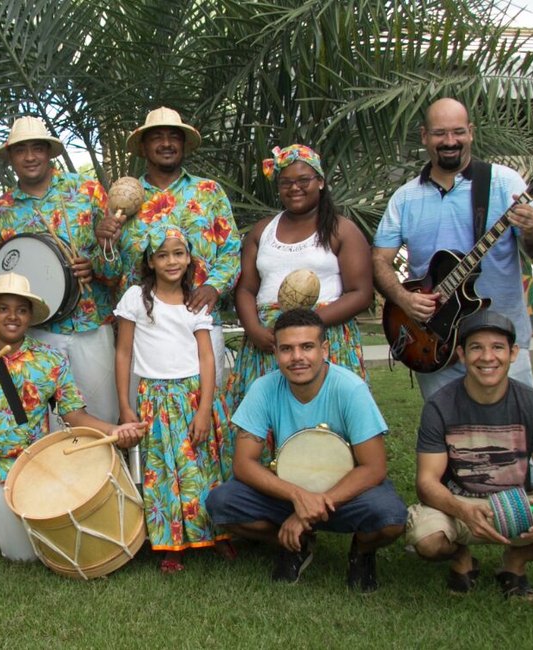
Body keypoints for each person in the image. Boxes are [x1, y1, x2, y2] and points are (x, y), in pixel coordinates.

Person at [0, 273, 144, 591]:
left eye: (21, 310)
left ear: (29, 317)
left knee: (20, 555)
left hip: (21, 464)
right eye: (3, 308)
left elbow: (74, 415)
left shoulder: (51, 361)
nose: (12, 316)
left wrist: (116, 429)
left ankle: (2, 525)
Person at [403, 310, 533, 600]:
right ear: (461, 354)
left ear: (513, 353)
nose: (487, 357)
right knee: (428, 540)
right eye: (476, 347)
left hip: (521, 504)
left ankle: (516, 560)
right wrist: (462, 511)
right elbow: (426, 482)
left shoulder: (532, 404)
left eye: (497, 347)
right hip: (461, 504)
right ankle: (462, 558)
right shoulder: (439, 406)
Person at [206, 309, 406, 592]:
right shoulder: (264, 389)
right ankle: (295, 543)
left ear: (324, 349)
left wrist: (311, 508)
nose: (297, 357)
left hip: (344, 493)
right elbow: (244, 463)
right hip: (289, 490)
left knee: (390, 518)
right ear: (276, 352)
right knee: (222, 503)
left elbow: (373, 467)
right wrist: (298, 497)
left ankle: (361, 551)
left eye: (307, 347)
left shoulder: (351, 389)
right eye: (286, 349)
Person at [372, 97, 533, 400]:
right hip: (434, 341)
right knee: (446, 437)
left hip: (500, 343)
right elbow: (379, 259)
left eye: (458, 132)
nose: (450, 141)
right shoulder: (405, 198)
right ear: (425, 136)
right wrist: (403, 298)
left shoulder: (503, 182)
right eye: (440, 133)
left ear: (470, 132)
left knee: (514, 434)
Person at [114, 226, 234, 574]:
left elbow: (207, 357)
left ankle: (218, 534)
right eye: (163, 254)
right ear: (150, 261)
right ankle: (171, 541)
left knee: (205, 467)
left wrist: (205, 409)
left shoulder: (195, 300)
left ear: (189, 257)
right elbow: (123, 354)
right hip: (155, 398)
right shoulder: (136, 298)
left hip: (194, 395)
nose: (171, 261)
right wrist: (125, 405)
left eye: (179, 253)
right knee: (165, 471)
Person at [0, 116, 120, 422]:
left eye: (37, 148)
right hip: (35, 329)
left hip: (89, 324)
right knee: (44, 422)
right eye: (21, 150)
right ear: (11, 158)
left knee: (103, 416)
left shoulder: (86, 192)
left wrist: (94, 266)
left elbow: (114, 271)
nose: (30, 157)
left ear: (49, 152)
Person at [97, 107, 240, 385]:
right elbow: (109, 275)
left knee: (203, 412)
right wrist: (106, 244)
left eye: (173, 136)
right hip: (143, 328)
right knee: (145, 416)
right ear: (143, 146)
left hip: (199, 320)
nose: (166, 143)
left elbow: (232, 251)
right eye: (156, 137)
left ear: (183, 144)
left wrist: (214, 286)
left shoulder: (208, 192)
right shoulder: (122, 198)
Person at [226, 144, 372, 415]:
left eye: (303, 180)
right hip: (268, 342)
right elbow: (245, 289)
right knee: (266, 421)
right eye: (286, 182)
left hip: (323, 334)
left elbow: (361, 293)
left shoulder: (341, 229)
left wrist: (306, 327)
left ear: (320, 182)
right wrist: (255, 330)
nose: (295, 188)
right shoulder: (263, 230)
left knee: (325, 418)